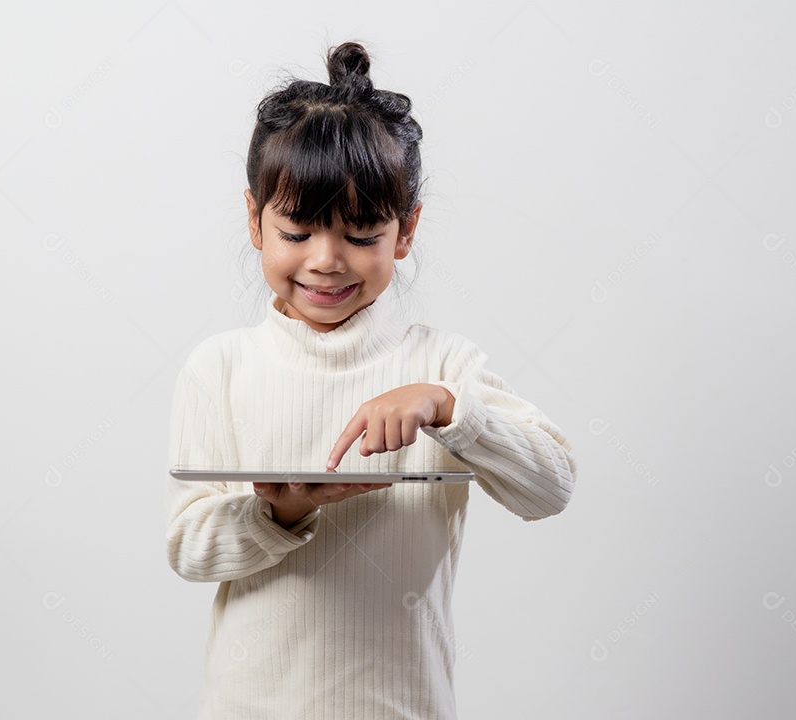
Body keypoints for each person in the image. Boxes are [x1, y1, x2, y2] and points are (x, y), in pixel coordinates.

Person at [164, 40, 576, 719]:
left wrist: (447, 407)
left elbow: (551, 487)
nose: (327, 260)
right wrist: (281, 512)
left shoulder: (443, 365)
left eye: (360, 236)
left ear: (405, 230)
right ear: (254, 221)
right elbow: (188, 549)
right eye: (297, 232)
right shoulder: (220, 367)